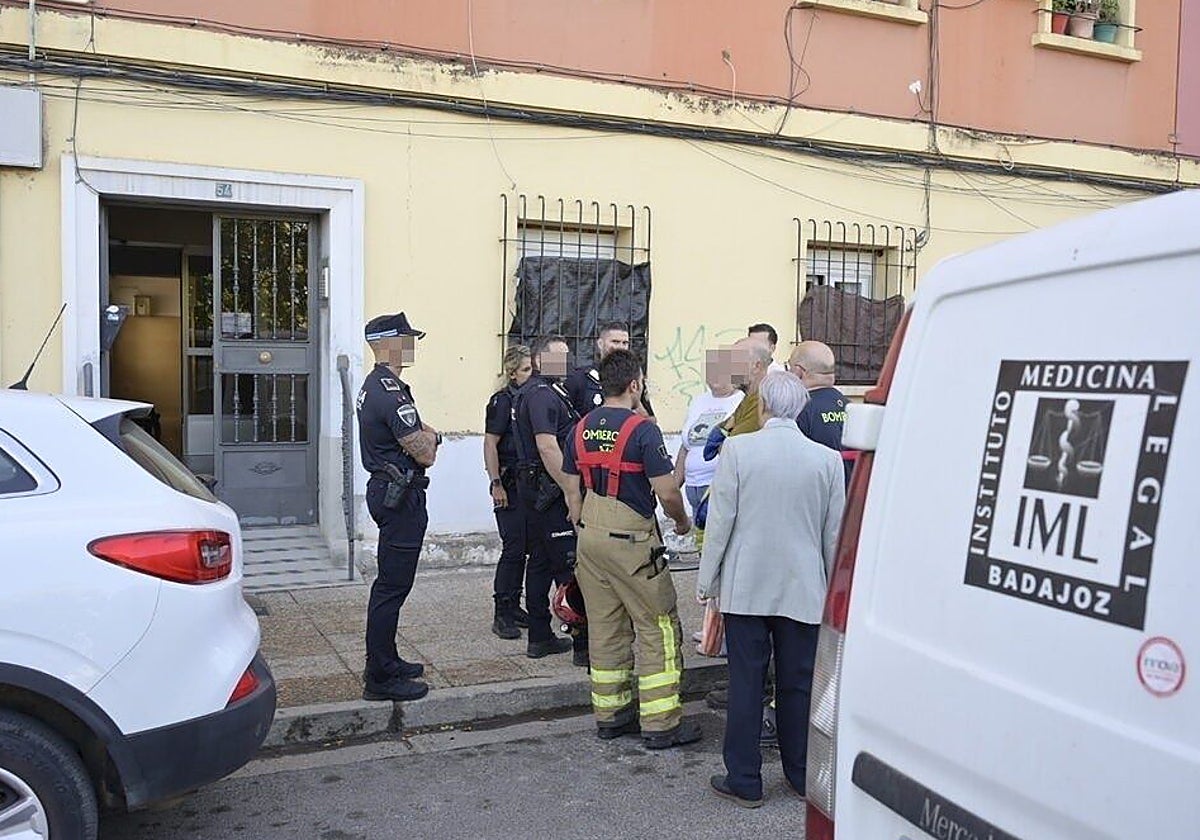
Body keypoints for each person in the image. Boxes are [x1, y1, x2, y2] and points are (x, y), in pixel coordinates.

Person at [697, 371, 846, 807]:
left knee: (746, 681)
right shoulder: (827, 460)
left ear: (763, 406)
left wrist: (707, 583)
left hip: (747, 588)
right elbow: (833, 536)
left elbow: (721, 521)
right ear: (801, 409)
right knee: (798, 684)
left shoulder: (739, 449)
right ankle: (801, 775)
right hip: (803, 589)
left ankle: (745, 778)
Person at [563, 349, 701, 749]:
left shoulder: (582, 427)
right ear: (635, 384)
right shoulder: (642, 430)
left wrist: (583, 523)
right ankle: (661, 724)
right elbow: (667, 490)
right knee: (656, 625)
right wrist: (680, 521)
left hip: (590, 534)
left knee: (605, 627)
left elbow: (572, 489)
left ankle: (612, 715)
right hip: (632, 540)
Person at [356, 312, 440, 702]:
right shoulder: (388, 390)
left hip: (392, 491)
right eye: (407, 339)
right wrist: (433, 436)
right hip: (399, 496)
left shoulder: (380, 386)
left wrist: (426, 435)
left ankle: (387, 659)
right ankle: (380, 676)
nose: (412, 346)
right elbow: (424, 452)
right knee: (391, 588)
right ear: (388, 344)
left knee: (392, 586)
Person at [513, 335, 586, 664]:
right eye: (559, 357)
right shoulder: (541, 394)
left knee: (540, 562)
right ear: (540, 361)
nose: (567, 363)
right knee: (569, 566)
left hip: (537, 488)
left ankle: (540, 636)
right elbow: (547, 446)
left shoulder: (540, 391)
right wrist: (571, 491)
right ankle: (584, 644)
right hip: (549, 490)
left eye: (568, 357)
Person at [483, 345, 535, 639]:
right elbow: (490, 443)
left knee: (528, 548)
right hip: (509, 484)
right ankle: (502, 612)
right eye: (526, 369)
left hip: (530, 485)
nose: (531, 375)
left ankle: (515, 605)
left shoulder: (532, 398)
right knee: (513, 548)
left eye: (532, 369)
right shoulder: (501, 402)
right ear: (512, 373)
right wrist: (495, 483)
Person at [674, 348, 744, 518]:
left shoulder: (741, 400)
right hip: (693, 487)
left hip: (718, 486)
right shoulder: (698, 401)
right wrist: (673, 488)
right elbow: (685, 447)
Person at [788, 340, 857, 488]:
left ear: (799, 371)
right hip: (851, 498)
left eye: (789, 367)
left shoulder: (798, 409)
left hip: (817, 498)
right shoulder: (850, 407)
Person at [565, 321, 656, 420]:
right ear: (600, 344)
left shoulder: (634, 378)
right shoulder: (581, 378)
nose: (620, 347)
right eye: (615, 342)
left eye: (625, 343)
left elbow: (648, 417)